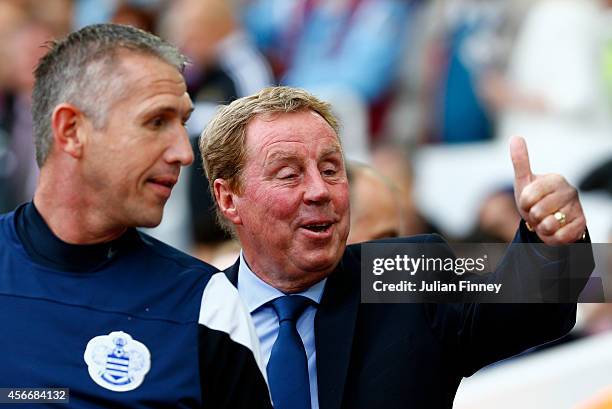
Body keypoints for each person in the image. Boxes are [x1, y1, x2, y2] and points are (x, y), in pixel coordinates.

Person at [199, 86, 594, 409]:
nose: (319, 190)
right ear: (229, 199)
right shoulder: (193, 317)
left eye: (331, 169)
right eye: (289, 174)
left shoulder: (406, 271)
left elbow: (536, 313)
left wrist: (551, 240)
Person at [0, 24, 272, 408]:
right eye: (156, 121)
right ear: (72, 130)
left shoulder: (206, 305)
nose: (184, 152)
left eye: (182, 122)